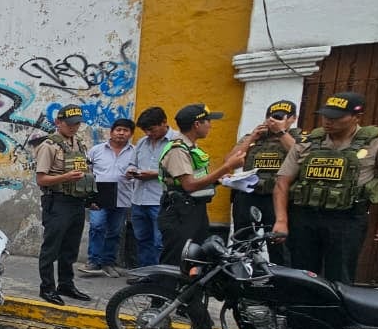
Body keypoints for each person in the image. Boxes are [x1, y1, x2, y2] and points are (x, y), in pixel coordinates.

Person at [273, 91, 378, 283]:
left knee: (339, 277)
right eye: (325, 116)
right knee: (301, 276)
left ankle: (335, 313)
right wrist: (281, 220)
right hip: (305, 217)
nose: (327, 121)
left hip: (347, 220)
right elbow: (282, 181)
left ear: (357, 117)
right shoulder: (308, 142)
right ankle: (300, 313)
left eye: (336, 117)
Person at [158, 104, 248, 266]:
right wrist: (226, 168)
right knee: (177, 260)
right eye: (207, 121)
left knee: (195, 260)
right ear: (197, 124)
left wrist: (219, 179)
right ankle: (163, 291)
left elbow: (196, 179)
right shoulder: (178, 149)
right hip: (180, 213)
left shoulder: (191, 147)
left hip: (194, 210)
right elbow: (189, 185)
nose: (210, 125)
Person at [34, 104, 98, 305]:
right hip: (57, 202)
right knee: (51, 248)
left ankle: (66, 285)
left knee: (70, 248)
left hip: (76, 202)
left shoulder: (79, 144)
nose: (74, 127)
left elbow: (83, 174)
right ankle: (47, 287)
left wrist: (90, 197)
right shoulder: (48, 146)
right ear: (58, 122)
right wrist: (66, 177)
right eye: (70, 124)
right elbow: (41, 179)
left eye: (77, 124)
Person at [232, 99, 301, 265]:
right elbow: (231, 159)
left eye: (279, 117)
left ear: (292, 118)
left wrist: (281, 132)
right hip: (249, 195)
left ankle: (281, 281)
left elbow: (301, 156)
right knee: (243, 241)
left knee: (278, 245)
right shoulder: (254, 136)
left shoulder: (296, 137)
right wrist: (253, 137)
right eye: (271, 116)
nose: (273, 120)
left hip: (277, 199)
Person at [80, 118, 136, 277]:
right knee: (97, 226)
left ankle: (108, 263)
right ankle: (93, 262)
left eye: (125, 131)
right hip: (100, 197)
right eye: (118, 130)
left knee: (115, 231)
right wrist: (88, 197)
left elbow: (139, 171)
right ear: (111, 132)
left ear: (130, 134)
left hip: (122, 197)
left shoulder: (135, 152)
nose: (121, 133)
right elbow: (87, 173)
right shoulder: (96, 150)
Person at [126, 107, 176, 267]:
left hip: (160, 200)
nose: (148, 133)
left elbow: (182, 171)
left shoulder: (176, 142)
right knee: (142, 239)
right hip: (139, 199)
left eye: (151, 129)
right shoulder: (142, 142)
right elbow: (132, 163)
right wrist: (131, 171)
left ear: (164, 123)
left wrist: (155, 174)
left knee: (160, 242)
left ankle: (160, 276)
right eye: (145, 130)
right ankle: (145, 274)